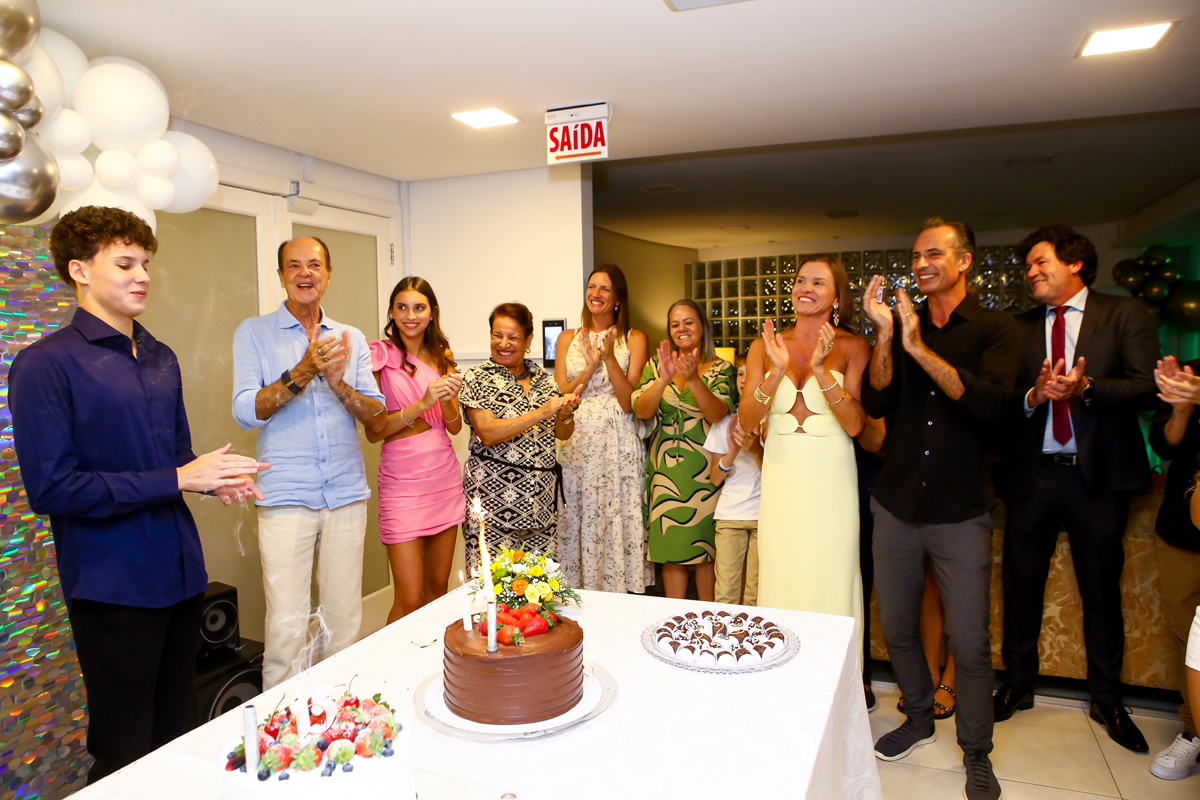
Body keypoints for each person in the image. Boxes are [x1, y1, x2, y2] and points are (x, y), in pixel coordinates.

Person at [10, 206, 268, 782]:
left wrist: (214, 478)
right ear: (79, 270)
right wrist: (179, 478)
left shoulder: (160, 356)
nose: (143, 276)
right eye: (125, 264)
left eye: (145, 264)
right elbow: (53, 488)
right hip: (113, 585)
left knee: (178, 732)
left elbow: (175, 458)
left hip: (180, 574)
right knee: (125, 747)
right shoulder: (45, 365)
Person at [863, 218, 1019, 800]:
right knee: (898, 627)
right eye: (916, 255)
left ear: (964, 260)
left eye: (934, 253)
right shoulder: (904, 324)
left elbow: (989, 405)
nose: (922, 264)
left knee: (970, 640)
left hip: (960, 509)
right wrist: (886, 336)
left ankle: (976, 752)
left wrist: (917, 348)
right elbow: (877, 397)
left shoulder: (997, 328)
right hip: (897, 503)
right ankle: (920, 716)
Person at [994, 224, 1158, 754]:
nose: (1031, 273)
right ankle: (1018, 684)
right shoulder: (1019, 327)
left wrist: (1087, 387)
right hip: (1033, 475)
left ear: (1075, 264)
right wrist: (1033, 395)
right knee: (1020, 587)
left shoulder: (1123, 314)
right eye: (1028, 266)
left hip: (1099, 479)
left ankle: (1107, 699)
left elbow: (1146, 386)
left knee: (1101, 590)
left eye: (1040, 262)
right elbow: (1001, 399)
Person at [232, 236, 388, 689]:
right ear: (281, 276)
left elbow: (377, 414)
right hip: (285, 496)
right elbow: (245, 410)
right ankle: (282, 722)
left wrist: (339, 384)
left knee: (344, 622)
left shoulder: (350, 337)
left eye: (315, 265)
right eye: (294, 265)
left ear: (328, 275)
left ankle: (342, 712)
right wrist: (302, 371)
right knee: (286, 626)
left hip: (345, 494)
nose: (305, 273)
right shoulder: (254, 333)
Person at [738, 255, 869, 638]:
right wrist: (776, 371)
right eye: (800, 281)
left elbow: (855, 424)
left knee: (831, 573)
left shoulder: (854, 346)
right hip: (781, 477)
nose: (805, 288)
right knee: (782, 571)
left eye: (817, 282)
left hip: (831, 480)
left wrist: (821, 371)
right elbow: (746, 419)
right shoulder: (765, 346)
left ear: (837, 297)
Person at [366, 277, 465, 624]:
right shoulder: (378, 356)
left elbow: (455, 427)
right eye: (402, 307)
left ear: (432, 312)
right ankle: (393, 660)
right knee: (408, 598)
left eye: (419, 308)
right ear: (392, 312)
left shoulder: (442, 356)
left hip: (442, 478)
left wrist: (448, 399)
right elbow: (375, 431)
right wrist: (422, 403)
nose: (411, 315)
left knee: (437, 590)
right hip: (402, 482)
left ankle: (432, 655)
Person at [555, 265, 650, 592]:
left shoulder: (633, 338)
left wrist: (608, 358)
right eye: (592, 287)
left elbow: (629, 401)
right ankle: (577, 591)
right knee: (577, 510)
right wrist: (590, 366)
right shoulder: (567, 338)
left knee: (614, 508)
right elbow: (562, 393)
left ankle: (618, 591)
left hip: (617, 439)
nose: (595, 294)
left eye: (605, 289)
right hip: (576, 437)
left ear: (618, 298)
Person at [460, 303, 580, 563]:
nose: (503, 344)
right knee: (492, 584)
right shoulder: (477, 378)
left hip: (541, 508)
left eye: (512, 337)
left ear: (528, 340)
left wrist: (565, 414)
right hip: (493, 508)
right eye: (497, 335)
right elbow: (487, 432)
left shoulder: (545, 380)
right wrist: (541, 412)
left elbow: (562, 434)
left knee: (541, 585)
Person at [633, 300, 735, 601]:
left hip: (706, 473)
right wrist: (664, 378)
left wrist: (692, 379)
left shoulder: (722, 368)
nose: (682, 329)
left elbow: (717, 414)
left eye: (688, 322)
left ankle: (711, 620)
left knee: (705, 550)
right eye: (675, 324)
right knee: (671, 549)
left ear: (702, 326)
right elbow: (641, 410)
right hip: (665, 472)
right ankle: (674, 620)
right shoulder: (655, 366)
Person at [1147, 354, 1200, 780]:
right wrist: (1182, 409)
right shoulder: (1190, 372)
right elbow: (1164, 445)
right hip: (1184, 527)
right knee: (1191, 636)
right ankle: (1194, 730)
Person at [703, 353, 762, 606]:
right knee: (726, 593)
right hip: (730, 516)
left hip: (764, 516)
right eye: (740, 373)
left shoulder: (773, 420)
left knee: (756, 595)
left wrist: (756, 450)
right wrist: (733, 451)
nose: (744, 379)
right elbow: (715, 478)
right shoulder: (725, 421)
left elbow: (780, 477)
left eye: (751, 373)